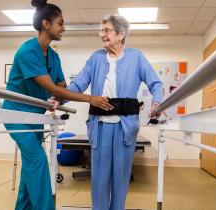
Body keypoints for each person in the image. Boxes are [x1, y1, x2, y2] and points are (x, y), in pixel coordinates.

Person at [2, 1, 113, 209]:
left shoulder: (53, 55)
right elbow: (54, 88)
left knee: (30, 167)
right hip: (16, 114)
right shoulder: (27, 51)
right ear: (46, 24)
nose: (64, 28)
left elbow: (61, 85)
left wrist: (57, 93)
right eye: (60, 23)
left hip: (35, 115)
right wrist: (90, 98)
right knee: (39, 162)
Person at [63, 14, 163, 210]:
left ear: (121, 34)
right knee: (99, 179)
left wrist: (157, 102)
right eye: (102, 30)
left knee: (121, 177)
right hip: (99, 126)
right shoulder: (96, 58)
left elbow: (155, 82)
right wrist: (60, 98)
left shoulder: (136, 57)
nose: (102, 34)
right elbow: (78, 83)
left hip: (124, 128)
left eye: (107, 30)